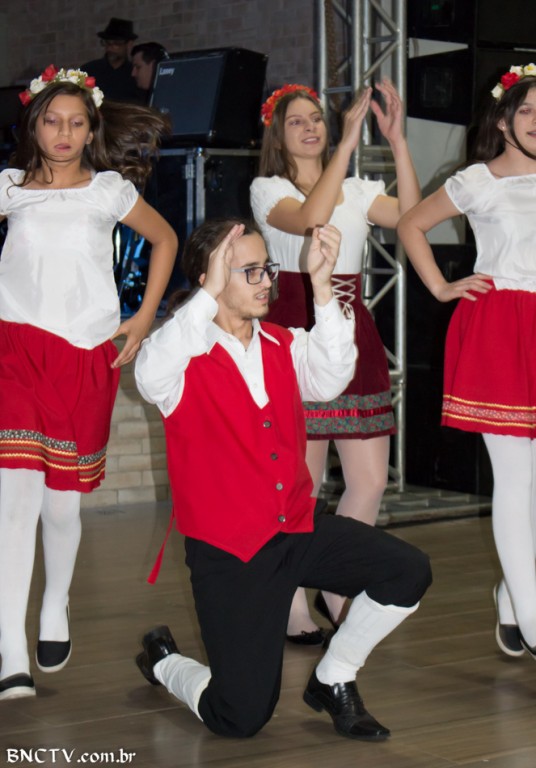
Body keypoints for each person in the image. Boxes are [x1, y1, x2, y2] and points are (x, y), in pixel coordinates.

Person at [134, 217, 431, 741]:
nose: (266, 281)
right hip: (230, 552)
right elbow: (148, 373)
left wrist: (322, 285)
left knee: (408, 571)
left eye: (266, 268)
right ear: (211, 276)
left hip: (296, 528)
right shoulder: (179, 357)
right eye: (249, 271)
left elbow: (333, 376)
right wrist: (207, 293)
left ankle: (334, 677)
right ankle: (164, 661)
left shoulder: (284, 344)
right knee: (240, 717)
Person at [0, 65, 177, 700]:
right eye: (52, 120)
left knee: (61, 502)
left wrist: (144, 317)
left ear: (91, 129)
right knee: (14, 501)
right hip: (17, 351)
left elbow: (165, 239)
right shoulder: (9, 188)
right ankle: (10, 651)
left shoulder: (108, 190)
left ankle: (56, 603)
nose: (64, 132)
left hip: (84, 355)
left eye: (76, 123)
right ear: (33, 124)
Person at [250, 80, 421, 642]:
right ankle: (291, 603)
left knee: (368, 479)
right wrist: (346, 145)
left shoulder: (356, 188)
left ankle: (335, 583)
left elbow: (414, 217)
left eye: (317, 119)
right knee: (299, 483)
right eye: (296, 121)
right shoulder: (268, 188)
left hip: (350, 326)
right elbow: (310, 219)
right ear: (277, 135)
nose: (311, 128)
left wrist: (397, 142)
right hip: (294, 327)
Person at [397, 63, 536, 659]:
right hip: (501, 325)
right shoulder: (479, 180)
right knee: (515, 478)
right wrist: (440, 286)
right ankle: (534, 621)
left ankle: (513, 594)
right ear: (503, 121)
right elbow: (412, 224)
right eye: (527, 110)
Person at [81, 17, 144, 103]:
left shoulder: (135, 73)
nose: (110, 48)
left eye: (116, 44)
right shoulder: (89, 70)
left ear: (129, 44)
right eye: (107, 43)